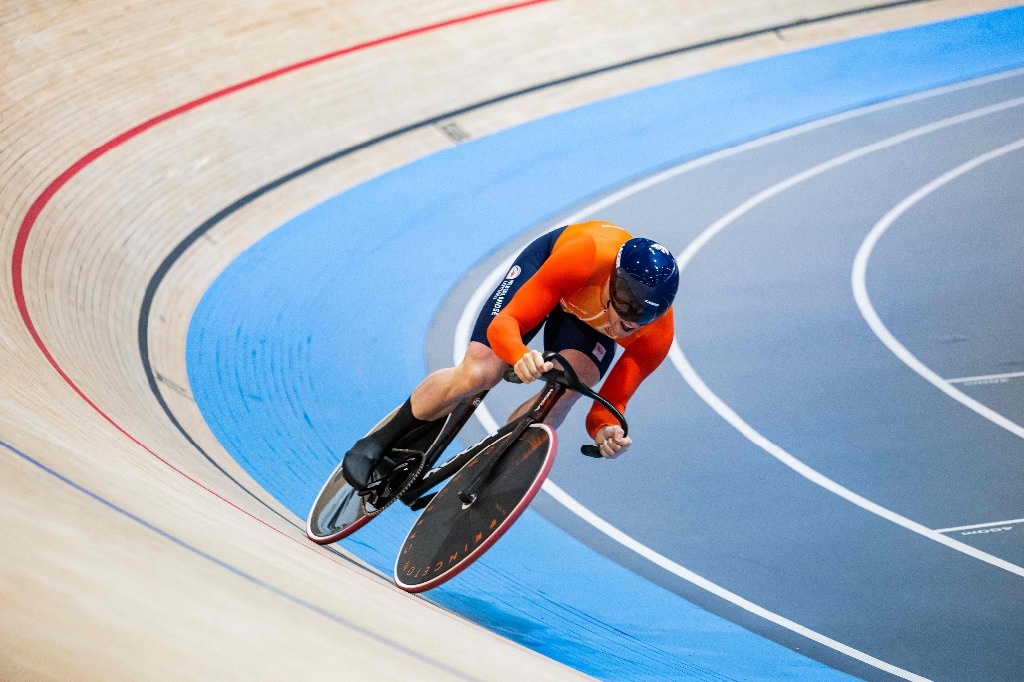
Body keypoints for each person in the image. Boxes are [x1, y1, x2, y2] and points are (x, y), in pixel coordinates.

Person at [342, 220, 678, 490]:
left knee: (569, 389)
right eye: (625, 301)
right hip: (553, 274)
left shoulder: (656, 335)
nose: (628, 320)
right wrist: (518, 354)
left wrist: (605, 430)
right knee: (479, 373)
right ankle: (378, 442)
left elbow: (610, 403)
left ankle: (494, 463)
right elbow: (506, 324)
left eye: (643, 315)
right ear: (612, 278)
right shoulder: (584, 258)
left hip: (586, 317)